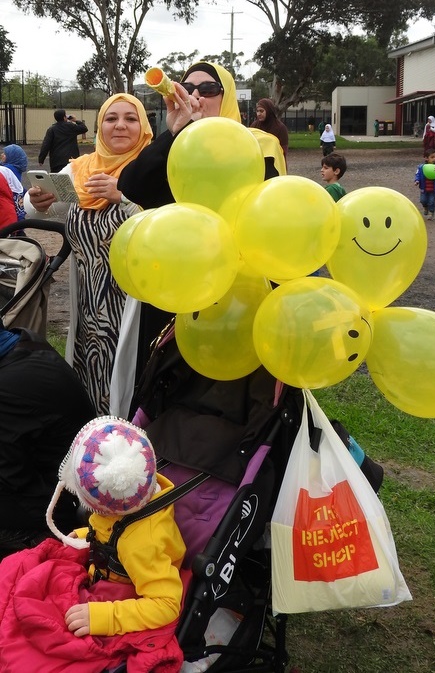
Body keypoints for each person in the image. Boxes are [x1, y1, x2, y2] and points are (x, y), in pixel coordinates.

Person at [113, 61, 283, 419]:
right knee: (161, 393)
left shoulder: (259, 145)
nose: (196, 95)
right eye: (189, 87)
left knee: (226, 397)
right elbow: (132, 186)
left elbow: (273, 219)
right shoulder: (178, 144)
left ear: (227, 97)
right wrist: (173, 132)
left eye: (208, 89)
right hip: (173, 286)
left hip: (235, 290)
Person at [0, 417, 185, 670]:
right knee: (16, 574)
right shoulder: (135, 490)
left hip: (120, 593)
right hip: (107, 565)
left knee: (29, 636)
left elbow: (167, 605)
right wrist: (86, 533)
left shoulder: (142, 545)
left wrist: (106, 617)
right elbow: (110, 528)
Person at [24, 94, 153, 416]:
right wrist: (37, 200)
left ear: (144, 126)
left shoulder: (152, 168)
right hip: (89, 308)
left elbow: (165, 229)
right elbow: (43, 206)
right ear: (98, 127)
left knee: (132, 386)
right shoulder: (81, 169)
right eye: (111, 119)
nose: (120, 125)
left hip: (136, 308)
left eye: (130, 118)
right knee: (91, 378)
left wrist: (122, 197)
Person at [0, 324, 95, 557]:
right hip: (67, 488)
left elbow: (11, 478)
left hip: (60, 515)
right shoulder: (22, 342)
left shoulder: (9, 389)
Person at [414, 150, 435, 220]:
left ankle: (431, 212)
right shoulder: (421, 167)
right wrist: (417, 180)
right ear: (426, 158)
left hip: (433, 189)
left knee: (431, 201)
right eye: (432, 157)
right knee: (423, 200)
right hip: (424, 188)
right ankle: (425, 207)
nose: (434, 159)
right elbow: (418, 174)